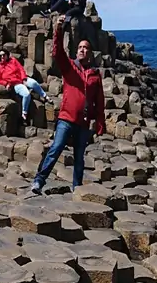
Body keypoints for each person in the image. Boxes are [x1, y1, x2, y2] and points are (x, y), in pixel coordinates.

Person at [31, 17, 104, 194]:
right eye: (80, 47)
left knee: (79, 158)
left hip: (83, 123)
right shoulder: (70, 67)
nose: (82, 50)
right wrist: (58, 29)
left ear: (90, 53)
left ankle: (77, 189)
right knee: (56, 149)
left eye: (85, 48)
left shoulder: (95, 75)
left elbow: (99, 100)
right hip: (66, 118)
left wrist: (100, 122)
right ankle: (39, 181)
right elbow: (57, 52)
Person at [0, 48, 48, 124]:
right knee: (26, 94)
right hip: (15, 84)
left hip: (22, 79)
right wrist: (6, 83)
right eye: (1, 56)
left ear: (7, 55)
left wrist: (23, 79)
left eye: (4, 55)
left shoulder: (13, 60)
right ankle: (24, 113)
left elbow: (21, 69)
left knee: (33, 83)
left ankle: (45, 96)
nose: (2, 57)